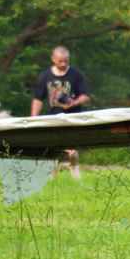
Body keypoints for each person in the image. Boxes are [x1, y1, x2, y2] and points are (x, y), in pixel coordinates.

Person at [30, 46, 91, 178]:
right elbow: (38, 99)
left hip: (73, 118)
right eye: (60, 61)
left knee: (71, 149)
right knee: (51, 147)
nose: (63, 64)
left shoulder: (76, 75)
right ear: (53, 59)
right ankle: (51, 174)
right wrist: (33, 119)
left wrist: (74, 102)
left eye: (66, 61)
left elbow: (86, 96)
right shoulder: (46, 76)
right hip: (52, 117)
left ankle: (74, 169)